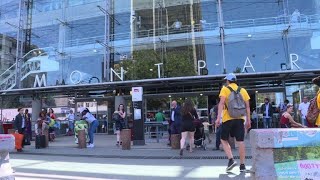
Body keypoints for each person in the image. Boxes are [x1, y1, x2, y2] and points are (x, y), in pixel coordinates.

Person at [215, 73, 251, 172]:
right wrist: (248, 120)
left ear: (228, 81)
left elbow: (221, 104)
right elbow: (247, 107)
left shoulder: (225, 89)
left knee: (223, 139)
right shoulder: (243, 90)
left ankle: (231, 159)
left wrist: (218, 118)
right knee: (240, 141)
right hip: (240, 119)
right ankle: (242, 165)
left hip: (228, 118)